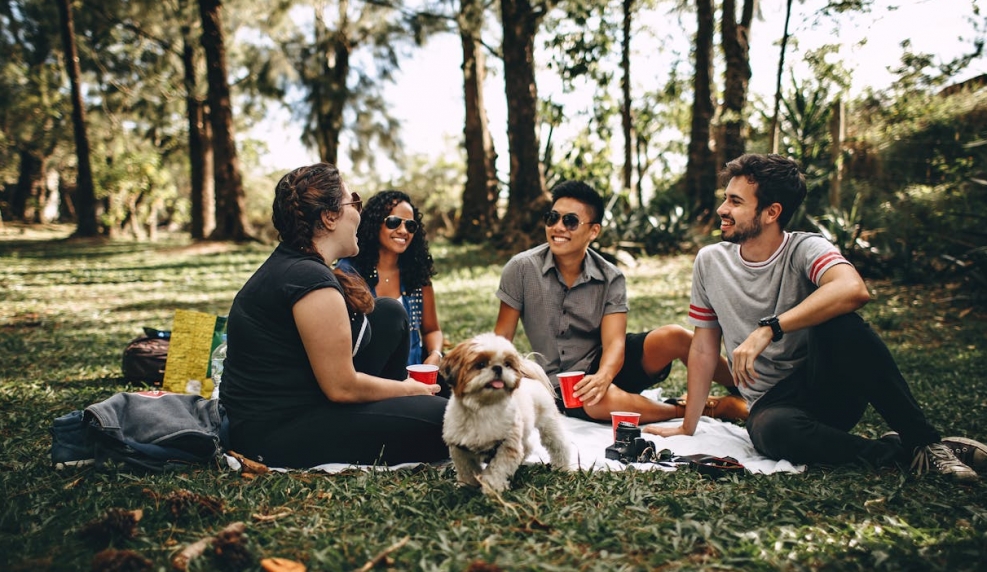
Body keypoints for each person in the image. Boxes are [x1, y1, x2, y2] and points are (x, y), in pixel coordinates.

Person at [646, 153, 987, 482]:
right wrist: (688, 426)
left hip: (828, 386)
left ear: (772, 212)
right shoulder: (710, 262)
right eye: (726, 198)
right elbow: (703, 348)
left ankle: (924, 441)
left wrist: (770, 328)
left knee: (843, 324)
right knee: (771, 432)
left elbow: (853, 289)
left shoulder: (805, 248)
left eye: (735, 202)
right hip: (772, 406)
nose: (722, 209)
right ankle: (902, 452)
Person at [220, 163, 448, 468]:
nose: (359, 214)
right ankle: (404, 410)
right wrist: (408, 389)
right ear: (329, 217)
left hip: (305, 402)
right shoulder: (309, 280)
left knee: (389, 313)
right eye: (354, 202)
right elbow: (342, 387)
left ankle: (399, 409)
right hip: (277, 431)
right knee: (448, 420)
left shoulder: (298, 265)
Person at [493, 179, 747, 424]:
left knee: (675, 336)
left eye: (570, 221)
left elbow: (615, 342)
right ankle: (703, 408)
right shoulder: (521, 269)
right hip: (561, 383)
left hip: (608, 364)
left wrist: (604, 376)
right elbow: (501, 338)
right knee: (597, 401)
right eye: (552, 218)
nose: (558, 227)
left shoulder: (610, 276)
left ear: (593, 231)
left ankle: (750, 389)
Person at [337, 190, 444, 367]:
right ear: (374, 224)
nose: (403, 231)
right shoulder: (348, 273)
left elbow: (432, 330)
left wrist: (435, 355)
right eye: (394, 222)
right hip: (368, 376)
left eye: (410, 225)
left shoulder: (417, 273)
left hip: (414, 375)